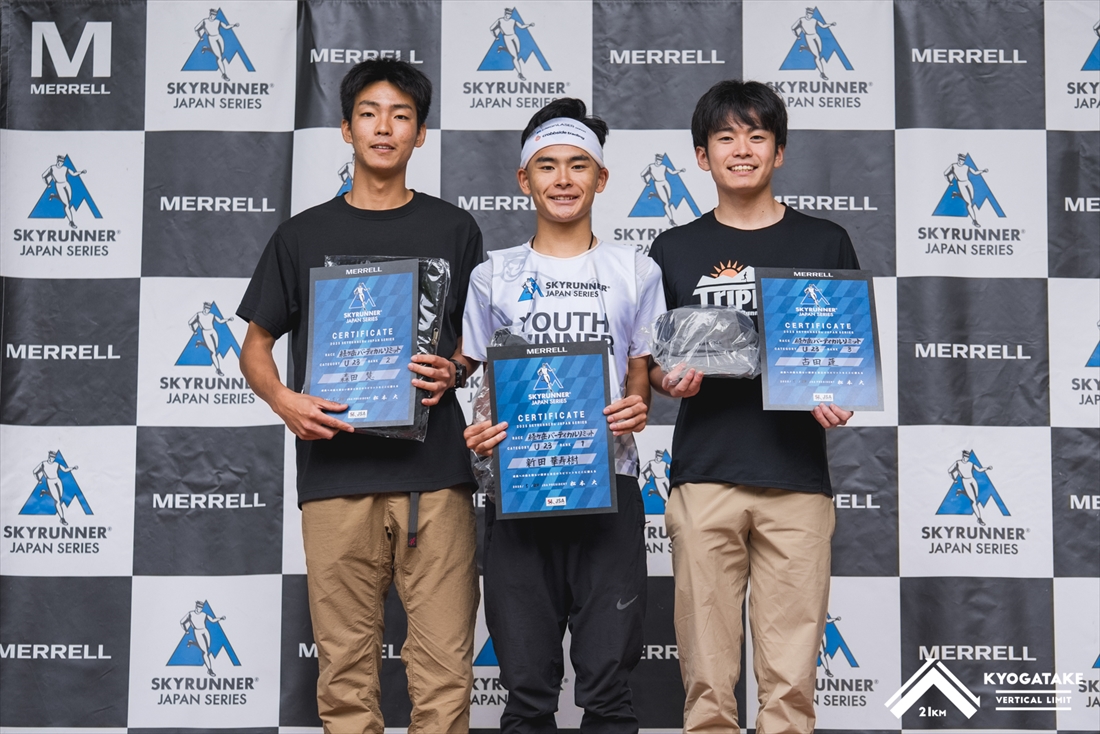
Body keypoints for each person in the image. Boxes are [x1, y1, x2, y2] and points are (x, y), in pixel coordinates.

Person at [237, 59, 483, 734]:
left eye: (401, 115)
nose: (384, 127)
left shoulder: (455, 229)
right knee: (344, 672)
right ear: (346, 129)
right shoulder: (302, 235)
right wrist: (284, 400)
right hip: (335, 476)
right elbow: (255, 345)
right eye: (369, 114)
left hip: (435, 478)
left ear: (420, 134)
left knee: (445, 669)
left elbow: (477, 339)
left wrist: (454, 369)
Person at [648, 80, 858, 734]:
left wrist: (839, 391)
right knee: (707, 685)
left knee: (790, 685)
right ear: (701, 156)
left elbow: (842, 354)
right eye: (726, 137)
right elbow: (652, 363)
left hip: (796, 480)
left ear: (779, 151)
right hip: (704, 476)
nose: (742, 149)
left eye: (757, 136)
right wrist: (667, 381)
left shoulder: (825, 242)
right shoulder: (672, 248)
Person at [462, 98, 667, 734]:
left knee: (608, 686)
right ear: (524, 179)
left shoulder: (637, 270)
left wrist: (638, 407)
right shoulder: (492, 275)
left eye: (578, 165)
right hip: (520, 489)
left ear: (601, 179)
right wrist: (478, 430)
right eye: (547, 166)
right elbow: (478, 379)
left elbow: (640, 377)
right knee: (526, 689)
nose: (563, 179)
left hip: (608, 486)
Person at [180, 601, 226, 677]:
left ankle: (192, 642)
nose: (199, 609)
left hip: (205, 631)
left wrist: (220, 618)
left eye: (201, 608)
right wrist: (186, 630)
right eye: (198, 607)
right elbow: (181, 622)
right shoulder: (190, 614)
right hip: (197, 632)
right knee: (205, 652)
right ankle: (210, 670)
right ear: (196, 606)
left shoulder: (204, 614)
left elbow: (212, 620)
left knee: (207, 648)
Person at [948, 450, 993, 527]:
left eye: (968, 457)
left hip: (972, 480)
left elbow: (979, 469)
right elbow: (949, 471)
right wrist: (954, 479)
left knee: (975, 497)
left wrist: (987, 468)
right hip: (965, 481)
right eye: (965, 456)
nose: (967, 458)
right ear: (963, 456)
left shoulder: (970, 464)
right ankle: (979, 518)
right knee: (973, 501)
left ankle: (961, 492)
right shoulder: (958, 463)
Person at [188, 302, 233, 377]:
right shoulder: (198, 314)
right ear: (204, 308)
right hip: (205, 332)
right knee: (213, 352)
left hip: (213, 331)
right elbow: (190, 323)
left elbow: (220, 321)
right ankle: (218, 369)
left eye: (209, 309)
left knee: (215, 347)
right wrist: (194, 331)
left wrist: (228, 319)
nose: (207, 310)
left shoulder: (212, 315)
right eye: (206, 308)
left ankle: (200, 343)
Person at [33, 451, 78, 526]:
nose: (52, 459)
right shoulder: (43, 463)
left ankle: (45, 492)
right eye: (51, 457)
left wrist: (73, 468)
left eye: (53, 458)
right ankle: (62, 519)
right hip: (50, 481)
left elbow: (65, 470)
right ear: (48, 456)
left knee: (59, 497)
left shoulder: (56, 464)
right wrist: (38, 480)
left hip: (57, 480)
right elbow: (34, 472)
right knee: (57, 501)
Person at [641, 154, 687, 226]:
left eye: (660, 160)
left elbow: (672, 172)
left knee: (668, 199)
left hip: (665, 182)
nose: (658, 162)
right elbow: (642, 174)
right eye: (657, 160)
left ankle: (653, 194)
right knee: (666, 203)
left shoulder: (663, 167)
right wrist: (646, 182)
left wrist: (680, 170)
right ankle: (671, 220)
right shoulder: (650, 166)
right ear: (655, 159)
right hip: (658, 184)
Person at [791, 8, 837, 80]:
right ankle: (822, 73)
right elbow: (793, 28)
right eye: (808, 13)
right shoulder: (801, 20)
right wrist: (797, 36)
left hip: (816, 36)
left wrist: (831, 24)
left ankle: (804, 47)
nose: (809, 15)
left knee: (819, 51)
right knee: (817, 56)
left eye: (811, 14)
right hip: (808, 37)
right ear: (806, 13)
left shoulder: (814, 20)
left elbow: (822, 26)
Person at [489, 8, 535, 80]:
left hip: (514, 36)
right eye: (507, 14)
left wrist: (529, 25)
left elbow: (521, 26)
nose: (508, 16)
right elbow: (491, 28)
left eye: (510, 14)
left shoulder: (513, 21)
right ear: (505, 13)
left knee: (517, 52)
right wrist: (495, 36)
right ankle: (520, 74)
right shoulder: (500, 20)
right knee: (515, 57)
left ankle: (502, 48)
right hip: (507, 38)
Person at [944, 154, 988, 227]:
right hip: (961, 183)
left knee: (971, 199)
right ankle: (974, 221)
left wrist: (983, 171)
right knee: (969, 203)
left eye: (963, 160)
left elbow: (975, 172)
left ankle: (956, 194)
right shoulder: (953, 166)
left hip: (968, 182)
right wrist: (949, 181)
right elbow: (945, 174)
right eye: (960, 160)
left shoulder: (966, 167)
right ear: (958, 159)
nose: (961, 162)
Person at [195, 9, 239, 82]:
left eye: (215, 15)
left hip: (219, 37)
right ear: (210, 14)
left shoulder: (217, 21)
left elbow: (226, 27)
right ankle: (224, 74)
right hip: (211, 38)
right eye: (212, 15)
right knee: (219, 57)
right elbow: (196, 29)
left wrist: (234, 25)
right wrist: (200, 37)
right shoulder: (204, 21)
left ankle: (206, 48)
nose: (213, 16)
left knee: (221, 53)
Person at [42, 155, 85, 229]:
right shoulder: (52, 168)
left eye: (62, 162)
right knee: (66, 205)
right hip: (59, 185)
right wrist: (47, 184)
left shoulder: (65, 168)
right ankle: (71, 222)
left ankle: (54, 196)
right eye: (59, 161)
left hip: (66, 184)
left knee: (68, 200)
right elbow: (43, 176)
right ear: (57, 161)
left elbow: (73, 174)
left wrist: (81, 172)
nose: (60, 163)